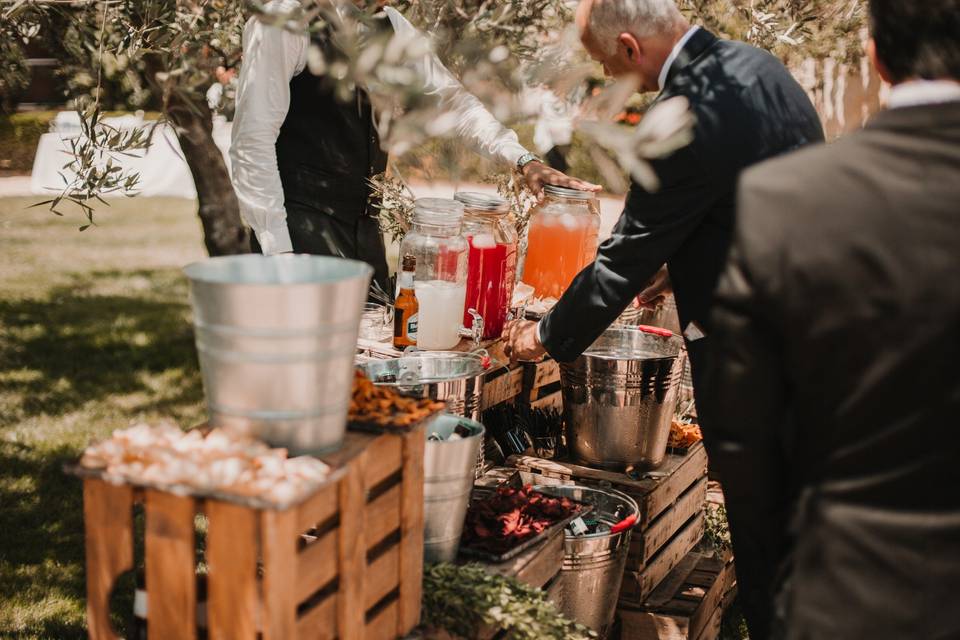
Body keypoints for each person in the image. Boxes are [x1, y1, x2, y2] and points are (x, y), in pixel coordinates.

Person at [701, 0, 960, 637]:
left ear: (873, 53)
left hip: (847, 593)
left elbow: (745, 438)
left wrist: (787, 579)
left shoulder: (786, 202)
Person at [503, 0, 822, 386]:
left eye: (604, 61)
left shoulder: (677, 117)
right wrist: (680, 269)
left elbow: (623, 260)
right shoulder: (761, 66)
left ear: (629, 47)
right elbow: (758, 205)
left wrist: (541, 336)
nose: (606, 73)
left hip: (752, 354)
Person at [230, 0, 597, 291]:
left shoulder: (391, 25)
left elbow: (454, 103)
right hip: (300, 231)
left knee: (362, 374)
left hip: (364, 232)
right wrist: (279, 252)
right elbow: (252, 142)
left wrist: (523, 160)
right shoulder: (282, 20)